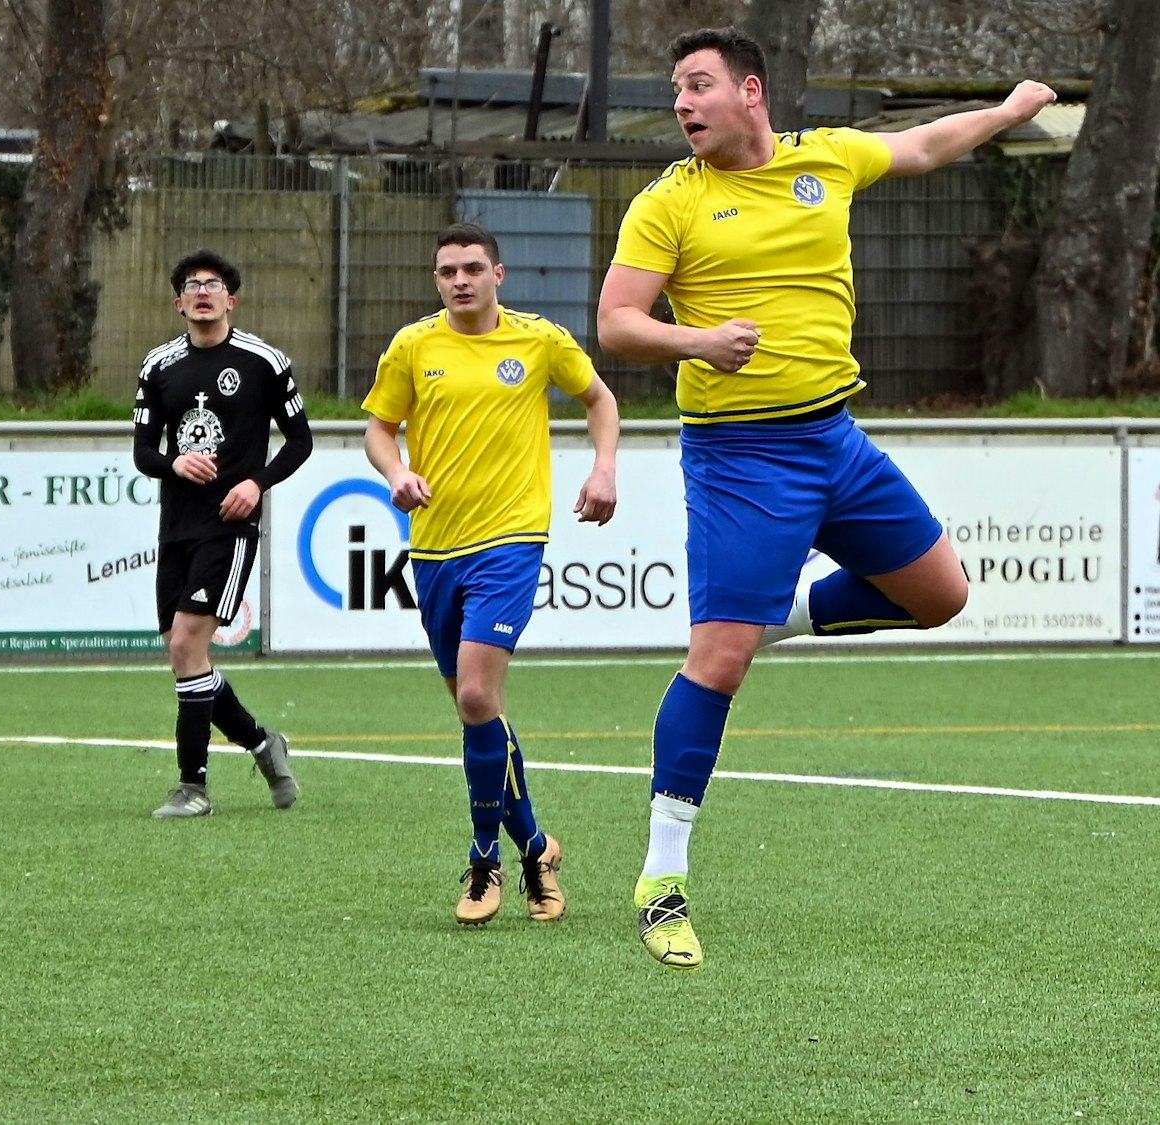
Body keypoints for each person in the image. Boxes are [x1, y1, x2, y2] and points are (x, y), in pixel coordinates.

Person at [597, 26, 1057, 969]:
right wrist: (697, 343)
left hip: (833, 439)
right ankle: (661, 880)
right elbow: (615, 324)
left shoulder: (826, 161)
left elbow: (925, 144)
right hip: (739, 455)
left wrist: (1009, 112)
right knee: (719, 663)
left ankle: (790, 612)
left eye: (698, 86)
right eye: (676, 90)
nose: (682, 105)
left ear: (751, 91)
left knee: (941, 596)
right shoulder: (667, 204)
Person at [364, 221, 620, 926]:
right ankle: (538, 845)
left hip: (510, 538)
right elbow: (379, 430)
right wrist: (397, 472)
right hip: (435, 546)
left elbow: (600, 398)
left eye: (473, 267)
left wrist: (604, 467)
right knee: (479, 711)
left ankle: (486, 860)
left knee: (478, 693)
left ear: (499, 274)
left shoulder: (539, 340)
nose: (460, 280)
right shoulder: (414, 346)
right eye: (447, 271)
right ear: (436, 279)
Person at [131, 249, 313, 818]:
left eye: (213, 284)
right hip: (176, 528)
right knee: (186, 655)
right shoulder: (158, 366)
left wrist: (257, 484)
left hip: (230, 528)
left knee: (187, 645)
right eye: (191, 285)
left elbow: (301, 441)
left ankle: (193, 788)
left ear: (231, 299)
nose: (202, 292)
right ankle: (262, 744)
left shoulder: (264, 363)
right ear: (178, 302)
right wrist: (173, 464)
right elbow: (143, 451)